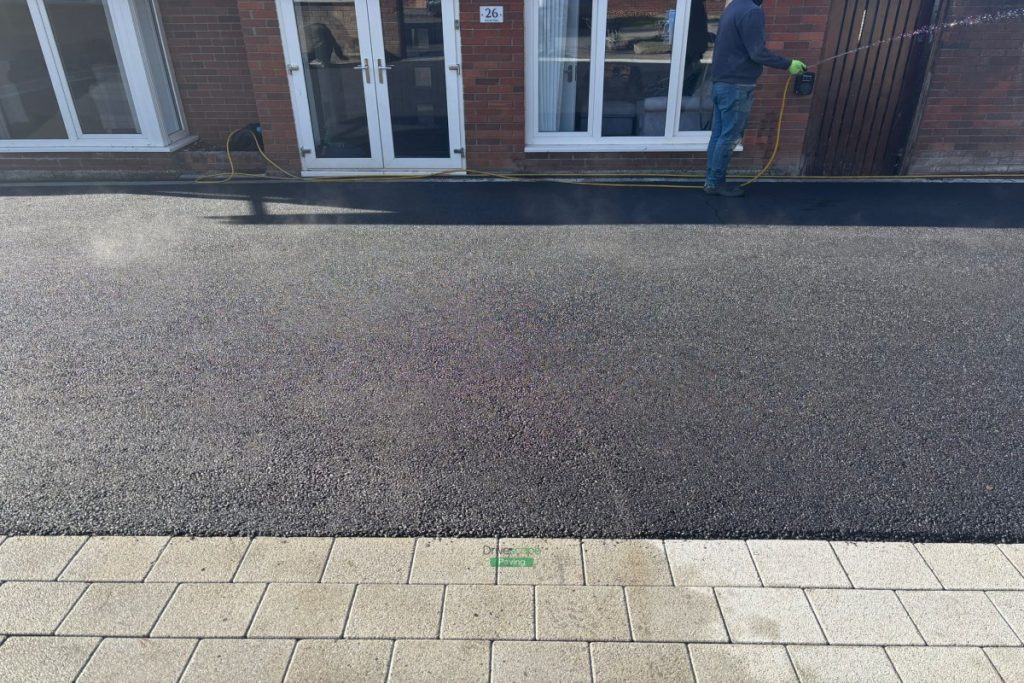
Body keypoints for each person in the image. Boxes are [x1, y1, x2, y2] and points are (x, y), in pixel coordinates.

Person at [704, 0, 806, 197]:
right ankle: (716, 183)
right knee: (729, 137)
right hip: (736, 86)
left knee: (718, 136)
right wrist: (788, 64)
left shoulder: (732, 8)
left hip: (721, 84)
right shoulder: (751, 11)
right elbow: (757, 52)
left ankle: (711, 181)